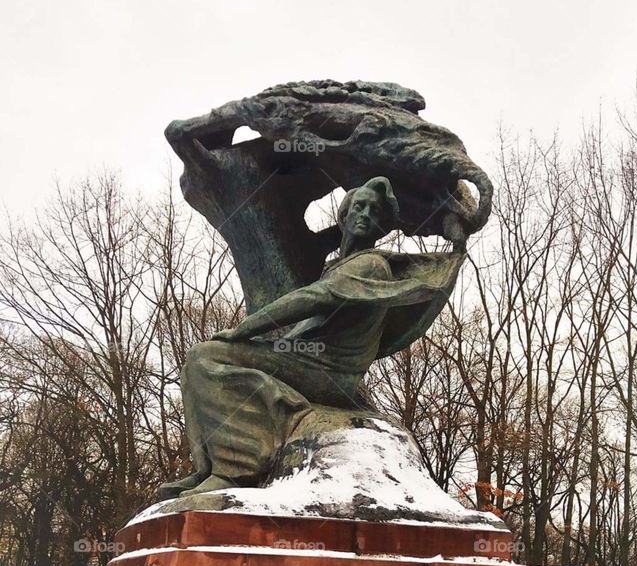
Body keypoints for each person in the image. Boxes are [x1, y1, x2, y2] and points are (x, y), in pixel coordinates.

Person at [159, 176, 467, 498]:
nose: (365, 215)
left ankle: (235, 469)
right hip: (310, 360)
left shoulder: (370, 266)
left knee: (207, 357)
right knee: (199, 361)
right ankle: (208, 468)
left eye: (374, 212)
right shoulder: (339, 264)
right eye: (359, 207)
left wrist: (245, 329)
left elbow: (312, 298)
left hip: (329, 372)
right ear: (344, 217)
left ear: (381, 227)